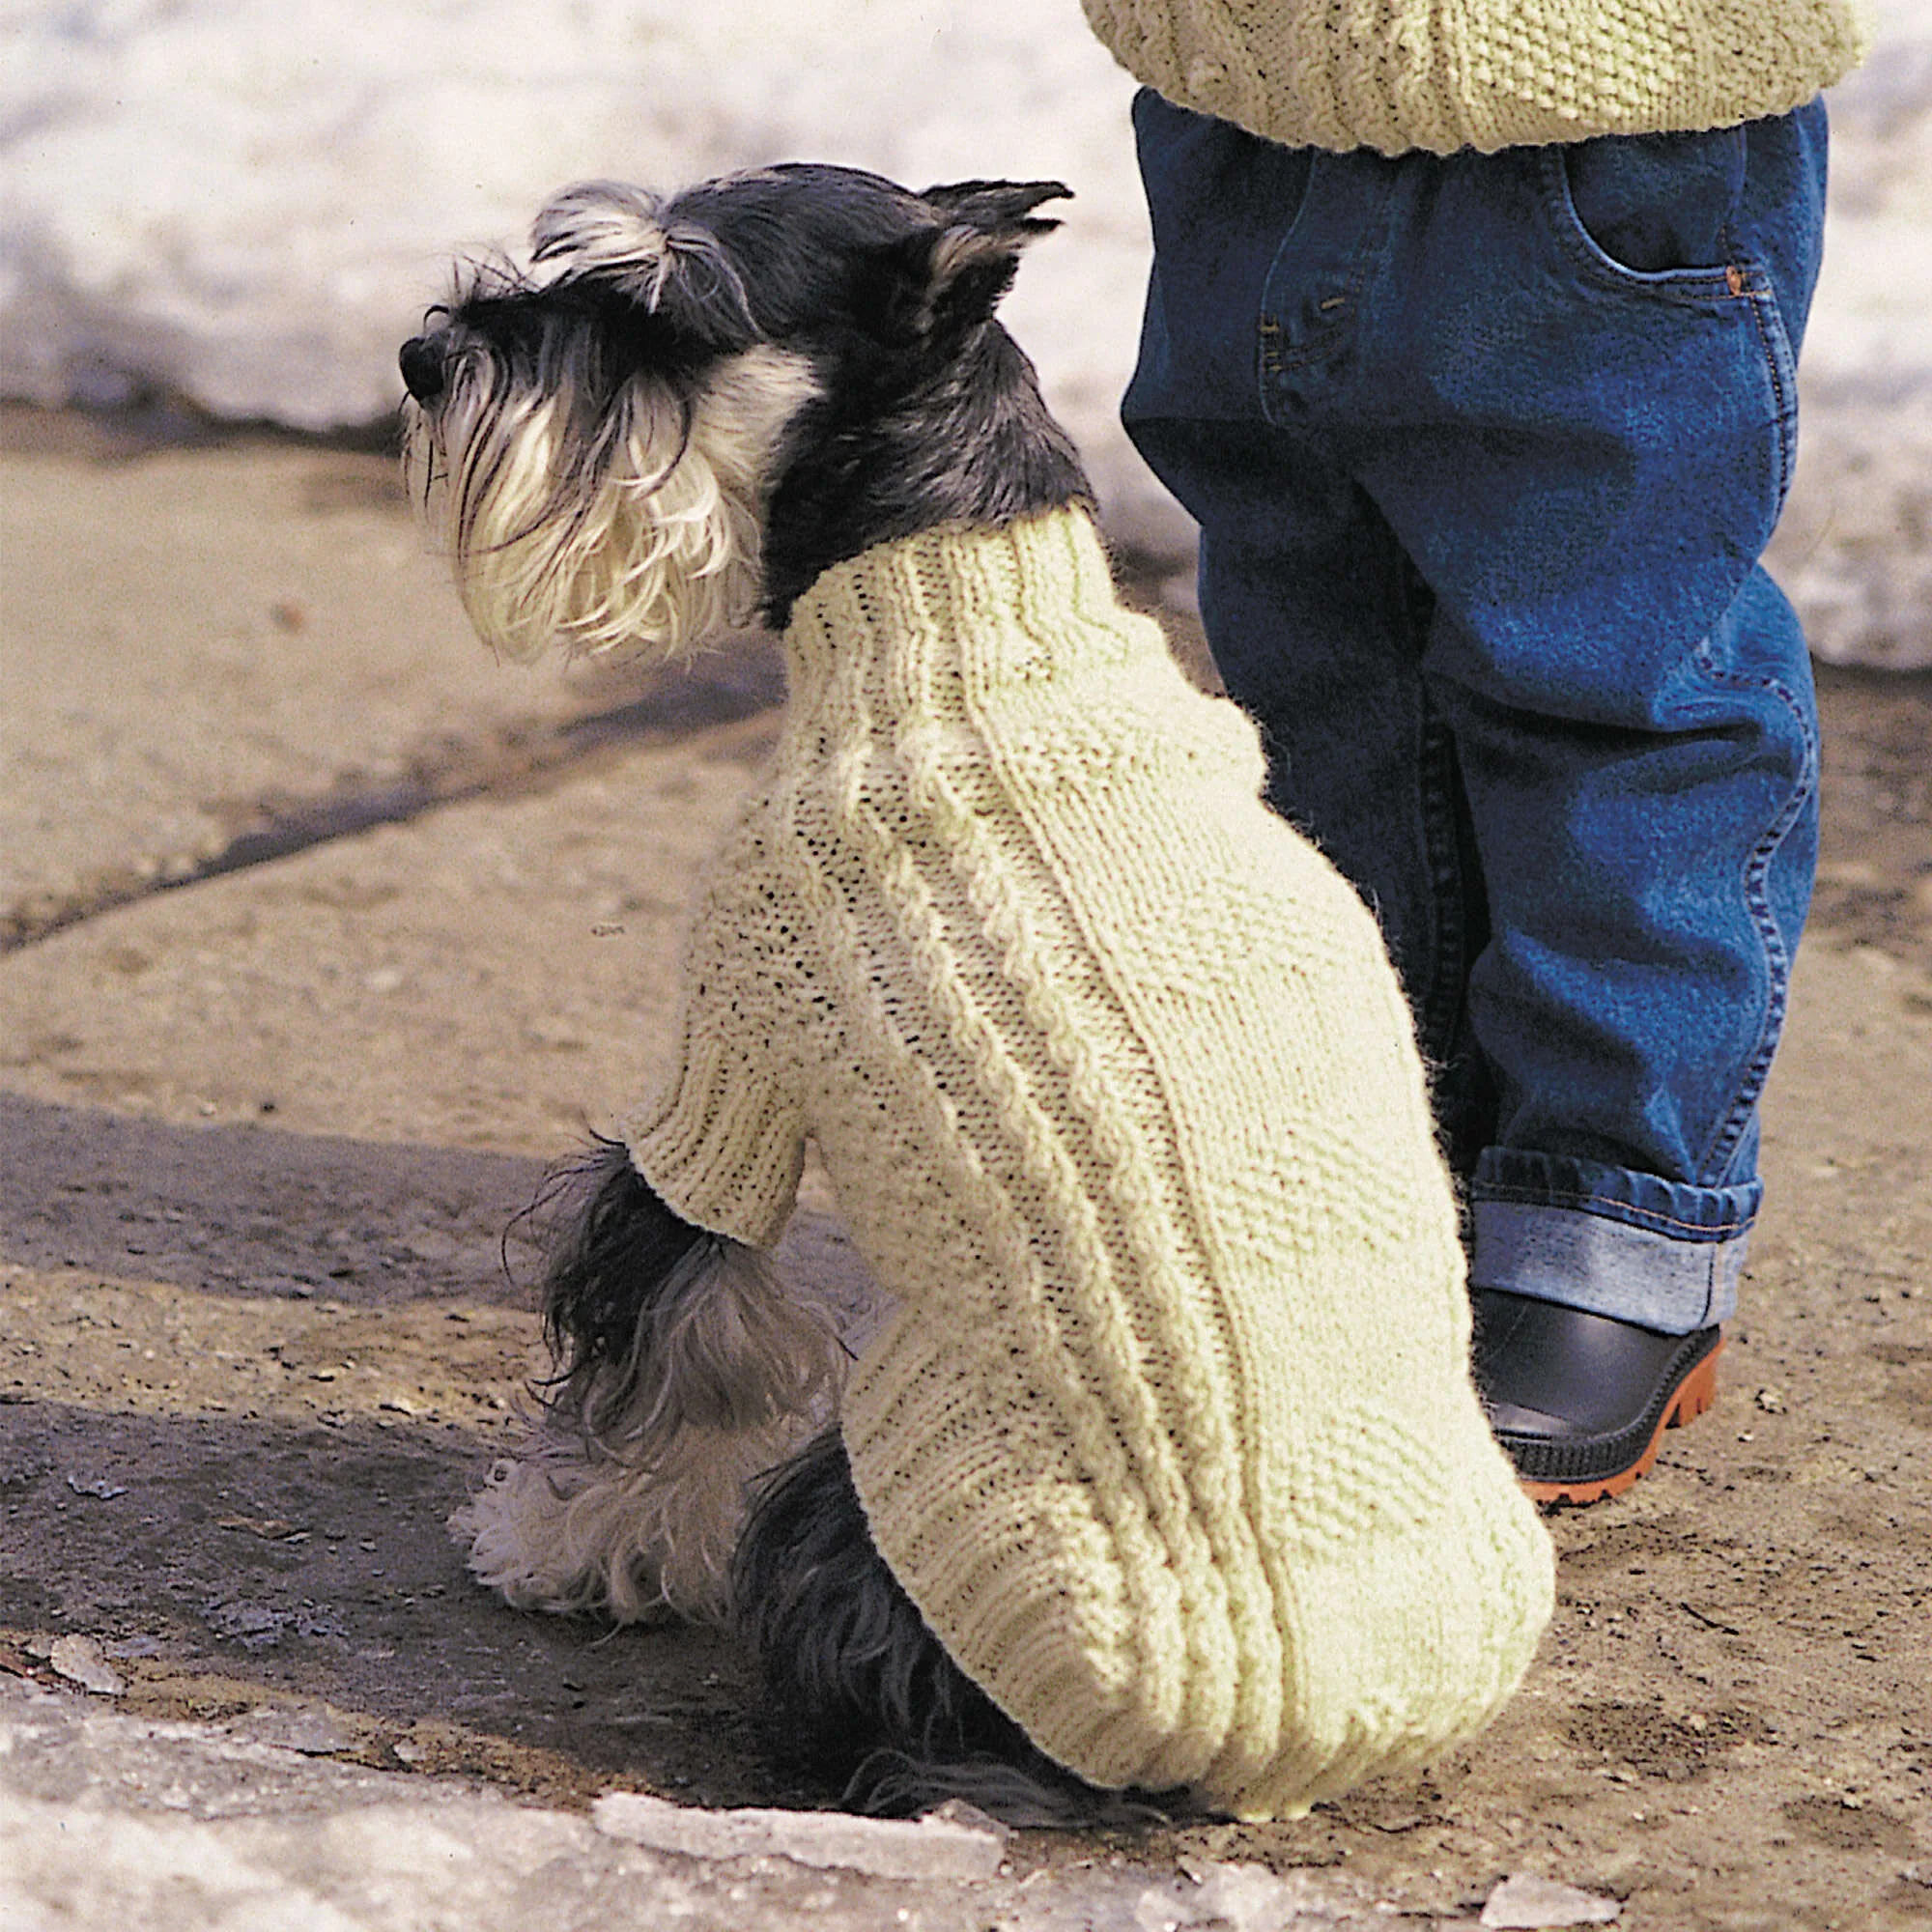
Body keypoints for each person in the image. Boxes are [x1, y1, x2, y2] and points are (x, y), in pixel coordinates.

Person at [1079, 0, 1868, 1500]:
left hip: (1603, 116)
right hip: (1252, 99)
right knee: (1324, 680)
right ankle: (1400, 1183)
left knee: (1606, 675)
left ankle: (1616, 1224)